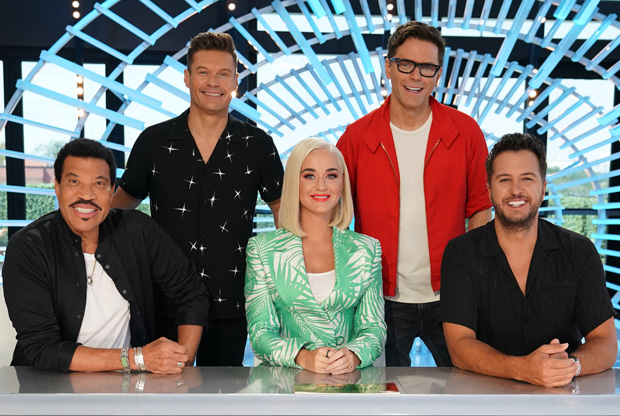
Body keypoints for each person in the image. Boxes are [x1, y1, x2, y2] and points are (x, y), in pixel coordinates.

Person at [111, 32, 284, 366]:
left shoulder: (258, 145)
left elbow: (284, 213)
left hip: (231, 301)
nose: (213, 82)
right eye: (203, 72)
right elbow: (118, 209)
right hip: (164, 299)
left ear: (236, 81)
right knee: (161, 392)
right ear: (187, 77)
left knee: (223, 395)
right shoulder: (153, 142)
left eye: (223, 73)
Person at [337, 21, 492, 367]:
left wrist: (475, 280)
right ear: (388, 67)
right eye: (405, 64)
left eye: (427, 67)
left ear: (438, 75)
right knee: (384, 391)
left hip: (452, 293)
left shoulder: (466, 132)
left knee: (466, 384)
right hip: (380, 296)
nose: (415, 76)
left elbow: (480, 208)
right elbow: (336, 212)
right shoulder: (356, 137)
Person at [3, 138, 209, 373]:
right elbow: (42, 348)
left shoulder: (137, 230)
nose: (86, 195)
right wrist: (138, 358)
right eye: (74, 182)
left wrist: (181, 363)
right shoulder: (29, 247)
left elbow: (191, 293)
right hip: (48, 388)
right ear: (57, 188)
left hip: (130, 386)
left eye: (99, 183)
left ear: (112, 191)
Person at [441, 133, 617, 387]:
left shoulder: (579, 251)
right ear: (489, 190)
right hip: (484, 396)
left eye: (527, 178)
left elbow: (606, 342)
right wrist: (524, 369)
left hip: (562, 394)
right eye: (504, 180)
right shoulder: (461, 253)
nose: (516, 190)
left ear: (543, 188)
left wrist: (569, 366)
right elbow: (459, 346)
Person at [245, 138, 386, 374]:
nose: (321, 186)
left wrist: (353, 355)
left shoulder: (367, 249)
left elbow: (374, 328)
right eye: (309, 176)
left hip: (347, 381)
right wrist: (304, 357)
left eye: (331, 175)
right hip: (285, 382)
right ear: (294, 182)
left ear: (342, 184)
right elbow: (260, 333)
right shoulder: (262, 249)